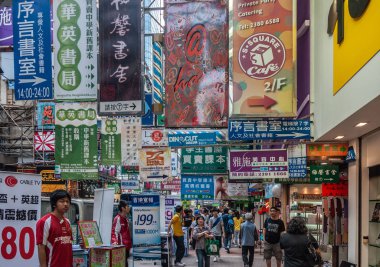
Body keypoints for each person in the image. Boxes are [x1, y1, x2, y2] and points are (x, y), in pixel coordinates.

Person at [36, 190, 73, 267]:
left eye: (67, 201)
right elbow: (41, 247)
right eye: (62, 201)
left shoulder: (67, 222)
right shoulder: (44, 222)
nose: (66, 204)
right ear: (54, 204)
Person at [111, 200, 132, 266]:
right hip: (121, 248)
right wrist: (116, 245)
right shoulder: (117, 218)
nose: (129, 208)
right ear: (123, 208)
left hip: (127, 247)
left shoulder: (126, 219)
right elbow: (114, 232)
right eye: (127, 206)